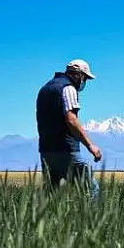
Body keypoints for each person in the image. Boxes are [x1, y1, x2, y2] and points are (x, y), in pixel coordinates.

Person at [35, 59, 102, 199]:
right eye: (85, 78)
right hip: (66, 150)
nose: (84, 82)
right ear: (78, 74)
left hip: (46, 150)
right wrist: (90, 145)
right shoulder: (68, 88)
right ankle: (89, 219)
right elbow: (71, 120)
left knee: (52, 194)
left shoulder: (45, 89)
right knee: (91, 190)